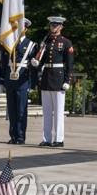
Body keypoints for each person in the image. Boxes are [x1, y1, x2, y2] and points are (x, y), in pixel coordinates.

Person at [31, 16, 74, 147]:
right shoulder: (46, 41)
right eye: (52, 25)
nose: (53, 27)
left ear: (61, 27)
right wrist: (37, 62)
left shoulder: (66, 42)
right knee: (47, 112)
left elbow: (70, 64)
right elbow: (43, 59)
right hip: (46, 78)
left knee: (59, 112)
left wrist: (67, 80)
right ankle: (47, 138)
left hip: (59, 79)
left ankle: (59, 139)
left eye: (56, 25)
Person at [0, 18, 38, 145]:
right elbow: (5, 63)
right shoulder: (10, 43)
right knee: (11, 110)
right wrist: (2, 81)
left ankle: (21, 136)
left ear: (26, 29)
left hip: (23, 81)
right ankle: (13, 135)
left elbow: (33, 66)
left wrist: (32, 84)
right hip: (11, 80)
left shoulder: (31, 44)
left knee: (21, 110)